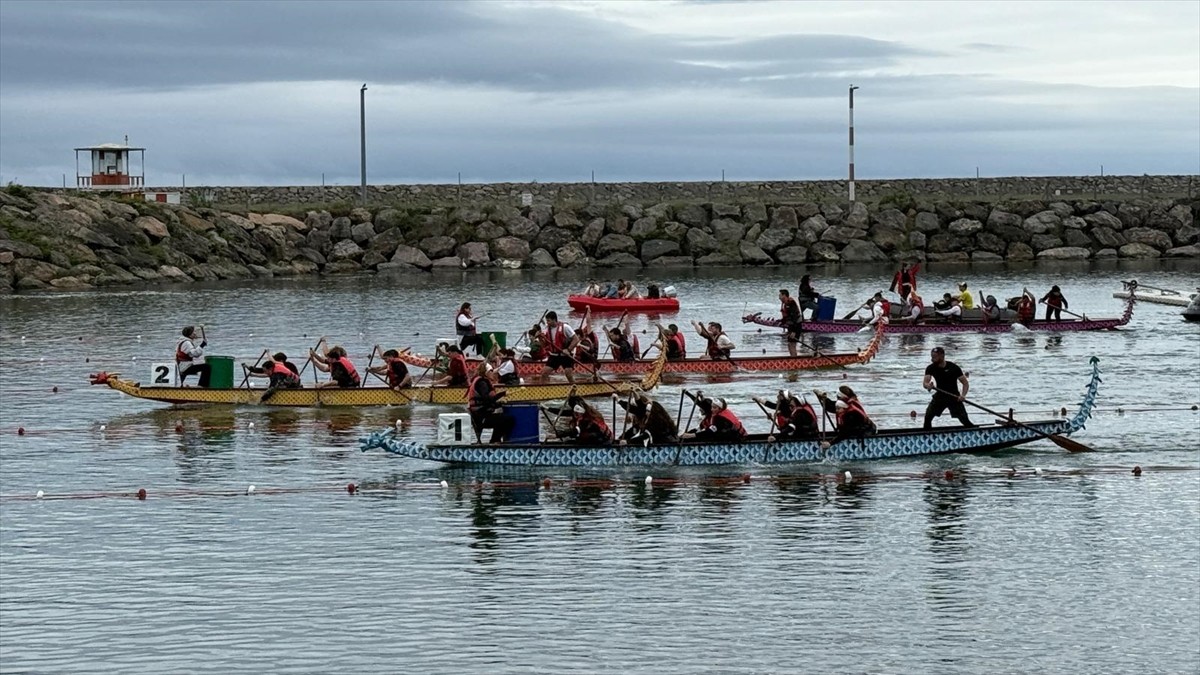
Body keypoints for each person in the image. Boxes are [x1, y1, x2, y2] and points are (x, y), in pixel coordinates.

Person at [922, 346, 974, 429]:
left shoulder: (954, 368)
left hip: (954, 397)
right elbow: (925, 383)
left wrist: (963, 395)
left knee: (964, 420)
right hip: (940, 396)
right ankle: (926, 434)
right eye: (932, 357)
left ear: (942, 356)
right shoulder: (930, 368)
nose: (932, 359)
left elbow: (965, 383)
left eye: (934, 357)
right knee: (928, 417)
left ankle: (972, 431)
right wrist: (928, 386)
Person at [467, 362, 515, 443]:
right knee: (509, 419)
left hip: (480, 415)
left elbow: (489, 400)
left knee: (502, 417)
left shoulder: (482, 382)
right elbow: (488, 400)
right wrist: (501, 400)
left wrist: (501, 397)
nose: (493, 373)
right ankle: (494, 441)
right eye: (491, 371)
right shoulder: (482, 383)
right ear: (486, 372)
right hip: (481, 417)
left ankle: (495, 440)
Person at [682, 392, 747, 442]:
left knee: (704, 436)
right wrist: (684, 435)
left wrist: (692, 435)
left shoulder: (721, 419)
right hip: (726, 436)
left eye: (714, 408)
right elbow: (698, 429)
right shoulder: (710, 416)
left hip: (737, 439)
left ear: (719, 409)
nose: (712, 409)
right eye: (712, 407)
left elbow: (710, 432)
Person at [540, 311, 580, 383]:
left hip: (565, 355)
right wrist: (540, 337)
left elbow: (576, 339)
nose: (547, 323)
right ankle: (543, 389)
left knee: (568, 375)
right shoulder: (547, 329)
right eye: (547, 321)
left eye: (548, 321)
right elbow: (544, 345)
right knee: (544, 373)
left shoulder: (565, 327)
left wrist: (568, 349)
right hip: (554, 355)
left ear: (554, 320)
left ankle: (575, 388)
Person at [779, 288, 803, 356]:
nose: (779, 297)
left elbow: (794, 317)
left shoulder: (791, 303)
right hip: (791, 326)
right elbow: (787, 317)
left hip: (796, 326)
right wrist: (782, 322)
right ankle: (793, 357)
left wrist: (794, 331)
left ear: (784, 295)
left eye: (780, 295)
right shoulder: (785, 304)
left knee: (792, 344)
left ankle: (794, 358)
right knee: (790, 344)